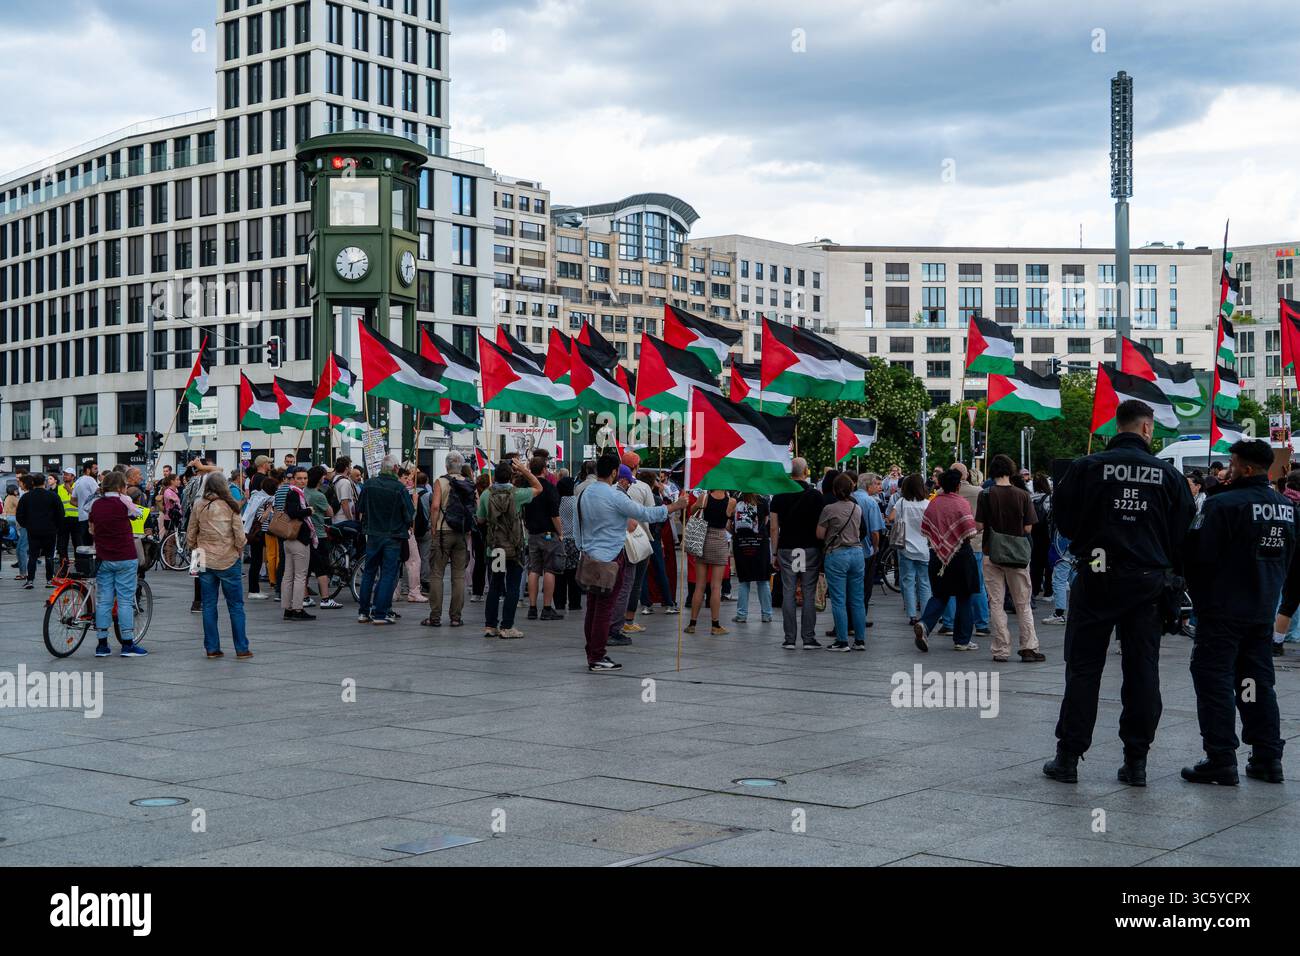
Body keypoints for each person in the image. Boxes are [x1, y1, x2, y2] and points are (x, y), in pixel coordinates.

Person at [1043, 399, 1197, 786]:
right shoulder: (1168, 475)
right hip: (1147, 580)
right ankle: (1137, 760)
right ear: (1146, 429)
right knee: (1142, 670)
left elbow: (1061, 518)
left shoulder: (1086, 468)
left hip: (1096, 573)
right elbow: (1183, 530)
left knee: (1083, 668)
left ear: (1119, 425)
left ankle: (1068, 758)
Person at [1182, 440, 1295, 785]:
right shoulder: (1287, 508)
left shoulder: (1222, 505)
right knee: (1255, 684)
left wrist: (1199, 601)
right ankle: (1266, 756)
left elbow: (1196, 556)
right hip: (1260, 612)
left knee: (1214, 680)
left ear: (1245, 468)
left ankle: (1221, 757)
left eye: (1231, 463)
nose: (1228, 468)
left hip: (1222, 612)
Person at [575, 452, 687, 670]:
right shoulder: (614, 496)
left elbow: (578, 524)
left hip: (590, 556)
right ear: (615, 472)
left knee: (593, 607)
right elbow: (644, 513)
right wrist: (674, 507)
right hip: (611, 558)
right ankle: (597, 656)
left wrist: (583, 548)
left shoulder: (585, 493)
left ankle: (592, 651)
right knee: (604, 608)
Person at [976, 454, 1044, 664]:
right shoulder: (1022, 495)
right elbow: (1028, 528)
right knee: (1022, 603)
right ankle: (1028, 647)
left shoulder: (985, 495)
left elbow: (979, 526)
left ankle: (1000, 649)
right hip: (1017, 556)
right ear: (1011, 470)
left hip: (991, 552)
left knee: (995, 602)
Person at [912, 469, 981, 653]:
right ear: (958, 485)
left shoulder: (934, 503)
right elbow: (969, 530)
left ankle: (925, 624)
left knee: (940, 595)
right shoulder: (962, 503)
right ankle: (962, 640)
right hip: (961, 556)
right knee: (964, 596)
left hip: (938, 555)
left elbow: (927, 529)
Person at [188, 472, 252, 659]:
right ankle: (241, 648)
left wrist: (194, 548)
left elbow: (191, 532)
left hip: (203, 557)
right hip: (228, 558)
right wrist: (240, 549)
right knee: (236, 606)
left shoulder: (198, 504)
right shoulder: (231, 505)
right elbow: (240, 536)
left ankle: (212, 648)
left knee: (208, 605)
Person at [480, 459, 541, 639]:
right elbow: (539, 488)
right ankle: (507, 626)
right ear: (511, 476)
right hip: (514, 547)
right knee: (513, 585)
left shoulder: (486, 494)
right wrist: (524, 470)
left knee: (495, 586)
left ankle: (490, 625)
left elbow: (481, 519)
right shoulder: (517, 493)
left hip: (495, 548)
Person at [88, 471, 146, 657]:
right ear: (122, 487)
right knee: (125, 601)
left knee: (103, 601)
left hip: (104, 558)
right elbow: (138, 513)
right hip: (125, 557)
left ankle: (102, 645)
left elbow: (91, 525)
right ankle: (127, 644)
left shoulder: (96, 504)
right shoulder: (124, 500)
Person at [770, 457, 825, 649]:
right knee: (809, 593)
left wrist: (774, 553)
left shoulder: (779, 495)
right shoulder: (816, 496)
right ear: (806, 472)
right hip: (809, 548)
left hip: (787, 548)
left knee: (788, 592)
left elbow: (774, 527)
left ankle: (790, 638)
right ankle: (808, 638)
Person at [356, 455, 414, 626]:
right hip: (393, 535)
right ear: (396, 468)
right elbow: (409, 514)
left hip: (373, 534)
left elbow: (360, 508)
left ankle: (363, 612)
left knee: (369, 572)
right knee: (388, 573)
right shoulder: (399, 488)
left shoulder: (368, 484)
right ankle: (380, 613)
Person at [423, 452, 476, 627]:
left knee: (437, 574)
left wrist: (433, 527)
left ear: (446, 466)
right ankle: (455, 617)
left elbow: (436, 506)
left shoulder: (441, 481)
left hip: (442, 531)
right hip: (461, 532)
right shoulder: (468, 483)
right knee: (458, 576)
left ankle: (435, 616)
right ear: (461, 466)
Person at [818, 474, 867, 651]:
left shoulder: (829, 509)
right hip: (857, 553)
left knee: (839, 600)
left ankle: (842, 641)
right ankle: (860, 640)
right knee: (857, 599)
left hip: (837, 554)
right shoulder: (857, 508)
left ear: (834, 489)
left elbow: (819, 534)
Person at [685, 486, 735, 635]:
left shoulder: (704, 497)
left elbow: (691, 512)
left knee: (700, 585)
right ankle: (715, 625)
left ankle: (692, 624)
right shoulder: (731, 501)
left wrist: (697, 505)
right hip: (720, 541)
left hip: (703, 540)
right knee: (716, 587)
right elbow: (728, 522)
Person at [522, 456, 565, 622]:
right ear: (544, 470)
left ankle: (532, 608)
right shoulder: (549, 487)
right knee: (549, 569)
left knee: (534, 569)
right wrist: (560, 532)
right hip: (548, 533)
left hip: (532, 533)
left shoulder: (526, 488)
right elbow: (555, 515)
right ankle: (547, 608)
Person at [619, 455, 657, 634]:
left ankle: (616, 619)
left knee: (620, 582)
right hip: (639, 539)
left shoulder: (611, 488)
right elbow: (650, 514)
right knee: (635, 582)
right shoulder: (643, 487)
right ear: (636, 466)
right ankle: (628, 619)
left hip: (618, 540)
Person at [889, 473, 932, 625]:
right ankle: (926, 615)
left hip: (905, 547)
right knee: (925, 582)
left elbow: (891, 518)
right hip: (923, 548)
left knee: (907, 581)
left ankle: (912, 615)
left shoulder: (901, 502)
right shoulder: (927, 504)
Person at [275, 466, 317, 622]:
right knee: (299, 576)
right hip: (299, 539)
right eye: (299, 478)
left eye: (305, 478)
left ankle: (288, 609)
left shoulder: (293, 492)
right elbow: (293, 513)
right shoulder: (294, 493)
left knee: (288, 575)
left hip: (289, 539)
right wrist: (308, 511)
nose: (303, 481)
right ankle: (298, 609)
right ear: (293, 479)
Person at [639, 471, 678, 616]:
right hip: (654, 537)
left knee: (643, 572)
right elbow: (663, 518)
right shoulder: (656, 499)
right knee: (661, 570)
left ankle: (646, 604)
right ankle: (668, 602)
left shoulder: (638, 497)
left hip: (641, 536)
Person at [305, 466, 343, 610]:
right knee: (322, 568)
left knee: (306, 569)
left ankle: (305, 597)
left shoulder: (304, 492)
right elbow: (330, 512)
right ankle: (326, 599)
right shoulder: (318, 495)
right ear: (319, 478)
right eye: (323, 476)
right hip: (319, 534)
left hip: (306, 534)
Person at [15, 473, 62, 588]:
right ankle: (49, 580)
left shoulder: (26, 497)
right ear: (44, 483)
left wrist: (27, 525)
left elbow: (19, 514)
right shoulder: (53, 496)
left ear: (33, 483)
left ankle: (30, 580)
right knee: (49, 556)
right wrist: (56, 527)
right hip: (49, 530)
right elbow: (60, 513)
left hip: (33, 530)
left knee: (33, 555)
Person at [732, 492, 771, 624]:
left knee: (744, 581)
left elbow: (729, 524)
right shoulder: (763, 501)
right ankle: (766, 614)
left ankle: (741, 615)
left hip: (742, 544)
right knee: (763, 580)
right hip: (760, 544)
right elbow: (765, 522)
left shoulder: (736, 500)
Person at [243, 475, 275, 601]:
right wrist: (269, 509)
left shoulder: (257, 496)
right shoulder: (266, 500)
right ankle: (253, 590)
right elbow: (261, 517)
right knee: (256, 561)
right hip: (259, 533)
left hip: (253, 532)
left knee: (256, 561)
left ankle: (255, 588)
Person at [555, 475, 583, 614]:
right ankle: (575, 602)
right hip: (574, 540)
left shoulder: (557, 502)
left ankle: (559, 602)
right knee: (574, 573)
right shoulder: (576, 502)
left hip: (560, 539)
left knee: (559, 573)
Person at [469, 470, 490, 603]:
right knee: (494, 562)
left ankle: (477, 592)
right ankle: (497, 590)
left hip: (477, 531)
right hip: (489, 529)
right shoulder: (488, 496)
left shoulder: (474, 496)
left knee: (479, 562)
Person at [56, 468, 79, 568]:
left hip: (76, 519)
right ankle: (63, 565)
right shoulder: (59, 487)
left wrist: (70, 490)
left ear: (73, 476)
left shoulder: (78, 487)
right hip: (63, 519)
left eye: (67, 474)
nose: (65, 476)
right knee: (62, 544)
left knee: (77, 543)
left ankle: (79, 565)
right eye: (64, 474)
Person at [73, 461, 100, 548]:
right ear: (88, 470)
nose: (97, 471)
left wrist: (82, 507)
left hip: (81, 518)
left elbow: (72, 500)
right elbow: (99, 494)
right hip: (91, 519)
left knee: (86, 546)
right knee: (94, 546)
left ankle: (86, 561)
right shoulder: (91, 480)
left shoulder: (78, 481)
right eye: (95, 469)